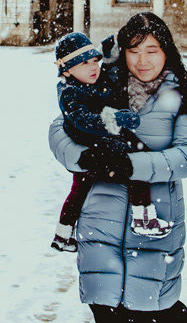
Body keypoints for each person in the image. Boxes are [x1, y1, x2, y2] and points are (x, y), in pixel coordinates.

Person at [48, 13, 187, 323]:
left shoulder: (186, 94)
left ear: (167, 51)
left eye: (152, 50)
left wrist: (132, 167)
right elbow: (58, 132)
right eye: (133, 50)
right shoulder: (102, 82)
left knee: (140, 315)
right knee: (108, 321)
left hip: (152, 222)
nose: (141, 60)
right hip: (101, 219)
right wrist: (89, 158)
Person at [51, 31, 173, 253]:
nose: (93, 67)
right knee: (130, 165)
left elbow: (112, 83)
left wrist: (109, 56)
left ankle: (63, 235)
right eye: (84, 63)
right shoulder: (69, 92)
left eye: (94, 61)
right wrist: (115, 119)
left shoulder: (95, 80)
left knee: (133, 158)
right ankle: (142, 217)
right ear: (67, 69)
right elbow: (82, 120)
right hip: (90, 143)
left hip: (103, 138)